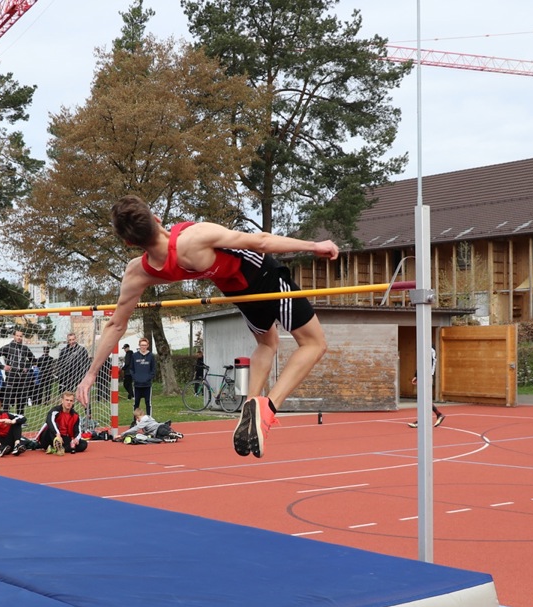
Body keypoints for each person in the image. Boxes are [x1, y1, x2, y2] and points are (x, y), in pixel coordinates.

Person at [79, 194, 338, 459]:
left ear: (129, 242)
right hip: (264, 277)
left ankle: (249, 408)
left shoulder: (139, 272)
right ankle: (267, 407)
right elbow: (260, 241)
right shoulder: (194, 237)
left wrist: (90, 375)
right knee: (314, 343)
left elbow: (115, 324)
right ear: (156, 219)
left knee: (267, 343)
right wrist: (314, 245)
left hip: (238, 292)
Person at [0, 329, 34, 410]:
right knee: (7, 399)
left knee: (21, 400)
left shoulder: (25, 348)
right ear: (14, 336)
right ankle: (6, 417)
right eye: (17, 336)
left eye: (21, 336)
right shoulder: (8, 347)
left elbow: (33, 359)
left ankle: (20, 419)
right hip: (11, 377)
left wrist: (27, 367)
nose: (19, 338)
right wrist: (2, 366)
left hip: (22, 378)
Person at [409, 346, 445, 429]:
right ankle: (439, 414)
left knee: (424, 400)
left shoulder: (430, 349)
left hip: (427, 376)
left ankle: (423, 420)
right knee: (424, 400)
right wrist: (416, 376)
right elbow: (421, 363)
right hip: (424, 376)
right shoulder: (426, 348)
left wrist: (420, 376)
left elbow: (426, 364)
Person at [130, 337, 156, 421]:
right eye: (142, 345)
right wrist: (135, 378)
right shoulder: (134, 356)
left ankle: (149, 420)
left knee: (148, 403)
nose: (143, 347)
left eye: (145, 345)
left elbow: (153, 370)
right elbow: (131, 369)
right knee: (136, 403)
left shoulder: (151, 356)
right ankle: (135, 421)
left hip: (147, 384)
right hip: (137, 384)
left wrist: (148, 378)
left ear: (147, 346)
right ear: (139, 345)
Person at [57, 331, 90, 395]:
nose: (72, 341)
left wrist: (85, 374)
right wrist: (61, 374)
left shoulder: (82, 350)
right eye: (70, 340)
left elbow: (86, 363)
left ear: (76, 339)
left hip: (79, 375)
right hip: (67, 376)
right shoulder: (63, 351)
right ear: (67, 340)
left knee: (80, 394)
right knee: (68, 394)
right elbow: (60, 364)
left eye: (73, 339)